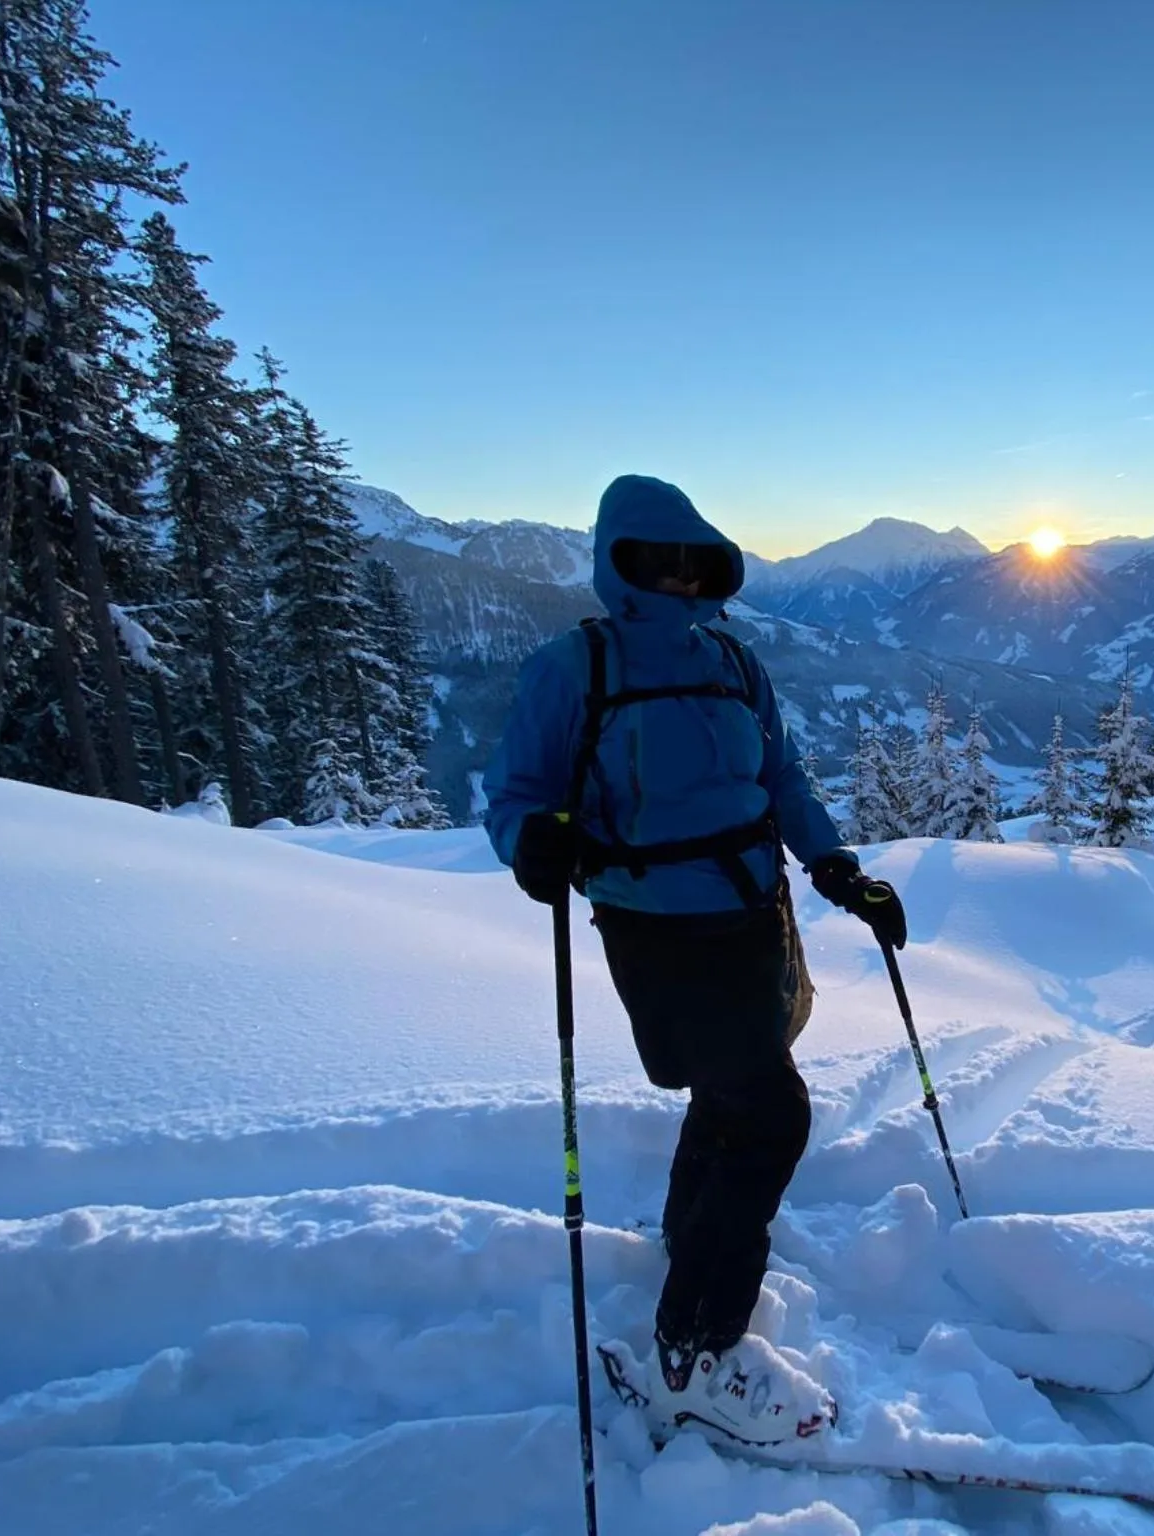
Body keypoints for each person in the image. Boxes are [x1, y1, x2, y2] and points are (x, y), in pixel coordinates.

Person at [484, 473, 907, 1442]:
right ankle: (694, 1351)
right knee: (769, 1113)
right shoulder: (573, 666)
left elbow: (781, 778)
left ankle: (693, 1242)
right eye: (653, 559)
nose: (676, 577)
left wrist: (837, 867)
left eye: (691, 560)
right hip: (655, 922)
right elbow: (515, 795)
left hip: (754, 909)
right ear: (616, 562)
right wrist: (531, 843)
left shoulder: (732, 661)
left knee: (737, 1090)